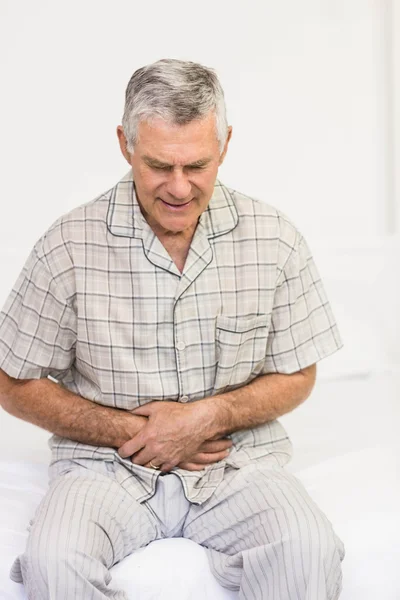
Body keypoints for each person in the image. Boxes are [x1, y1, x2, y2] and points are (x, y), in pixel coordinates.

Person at [0, 58, 345, 599]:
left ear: (225, 144)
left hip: (236, 464)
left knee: (309, 547)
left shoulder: (275, 237)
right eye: (160, 165)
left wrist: (206, 418)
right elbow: (12, 381)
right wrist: (134, 433)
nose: (180, 188)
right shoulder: (67, 244)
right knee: (54, 560)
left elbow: (297, 373)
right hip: (103, 470)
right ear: (125, 145)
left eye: (198, 165)